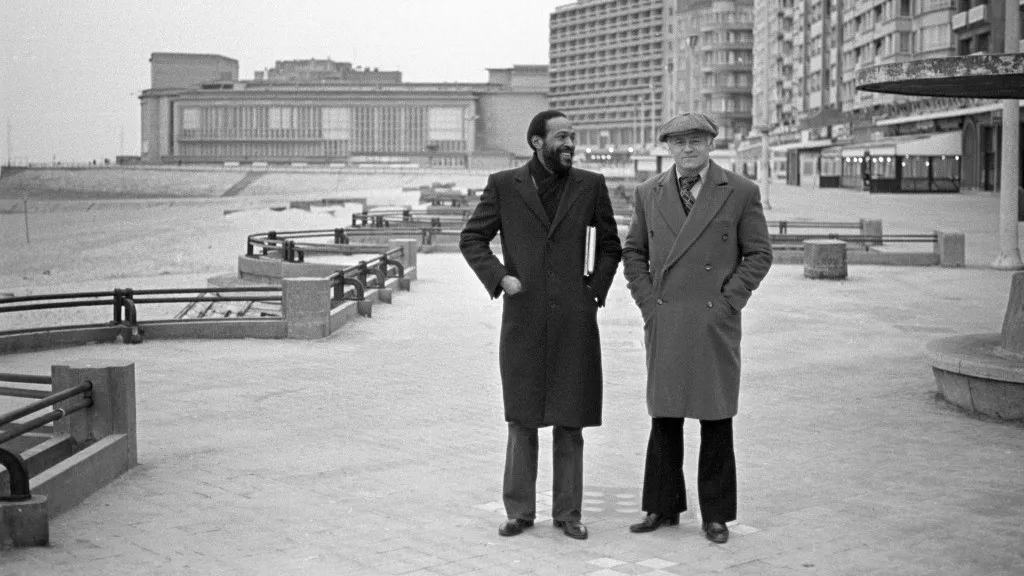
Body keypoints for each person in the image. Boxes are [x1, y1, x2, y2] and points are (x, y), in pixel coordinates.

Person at [460, 110, 622, 540]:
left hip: (574, 320)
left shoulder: (591, 185)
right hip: (524, 317)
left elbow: (610, 246)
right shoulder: (504, 185)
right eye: (562, 137)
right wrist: (500, 278)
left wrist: (593, 292)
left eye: (573, 137)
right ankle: (519, 512)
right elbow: (472, 238)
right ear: (537, 142)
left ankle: (568, 513)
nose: (570, 144)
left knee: (571, 419)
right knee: (522, 418)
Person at [621, 112, 772, 544]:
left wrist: (728, 303)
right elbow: (634, 252)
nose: (687, 148)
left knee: (716, 417)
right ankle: (662, 506)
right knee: (664, 417)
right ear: (667, 147)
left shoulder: (740, 191)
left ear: (711, 144)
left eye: (696, 140)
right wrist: (649, 304)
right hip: (666, 318)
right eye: (679, 141)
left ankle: (716, 515)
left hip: (712, 321)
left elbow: (759, 254)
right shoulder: (648, 192)